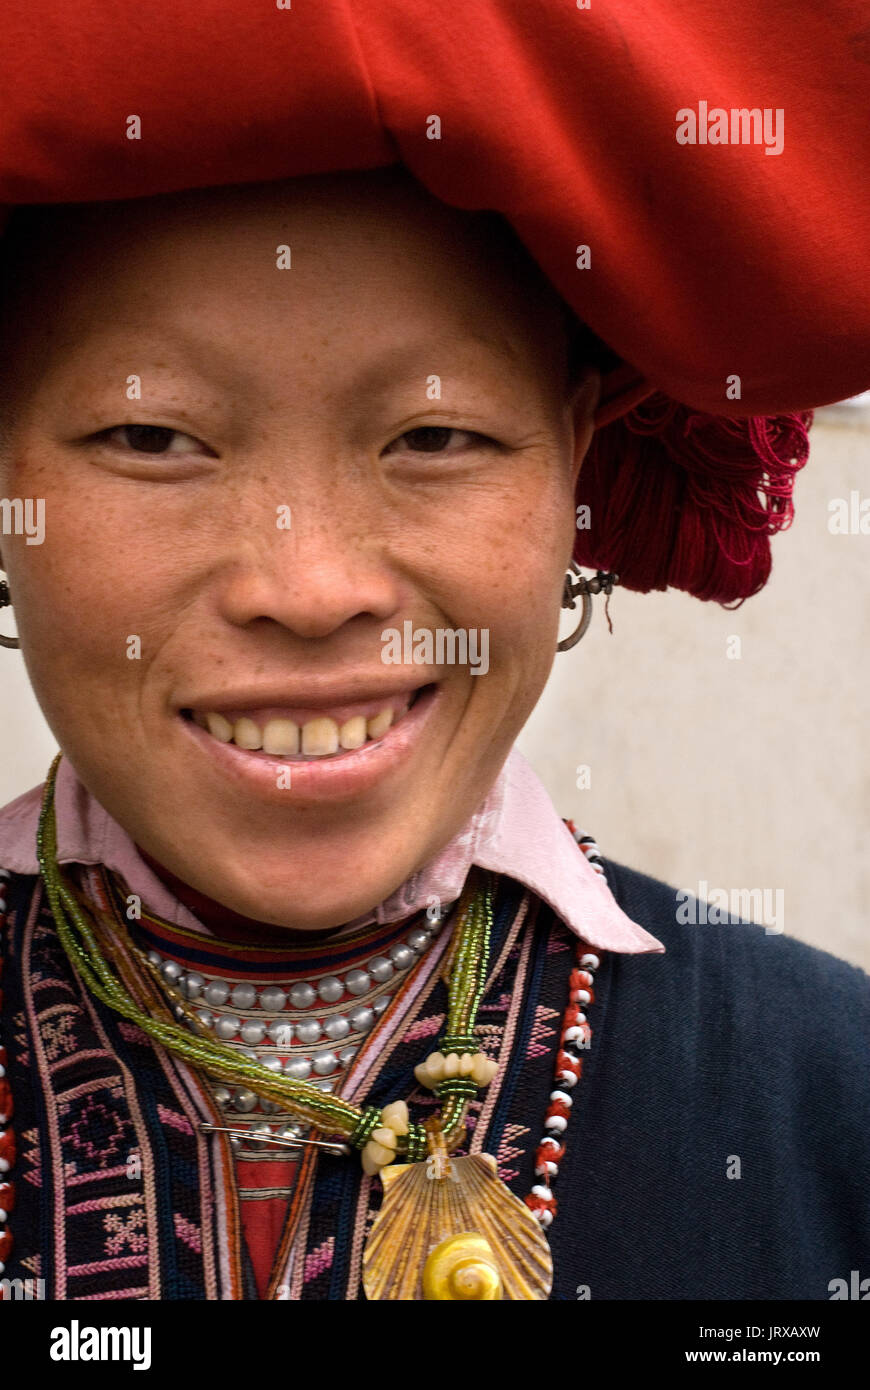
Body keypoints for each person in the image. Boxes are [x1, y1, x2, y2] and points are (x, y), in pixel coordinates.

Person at [0, 2, 868, 1302]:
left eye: (434, 437)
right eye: (152, 438)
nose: (304, 587)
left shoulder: (825, 1097)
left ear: (577, 451)